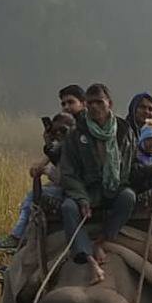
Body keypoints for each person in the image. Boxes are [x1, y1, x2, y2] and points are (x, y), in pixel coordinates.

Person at [0, 86, 86, 252]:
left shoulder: (82, 132)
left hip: (78, 189)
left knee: (32, 198)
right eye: (63, 103)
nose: (66, 107)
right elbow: (58, 154)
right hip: (71, 184)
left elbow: (69, 171)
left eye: (71, 102)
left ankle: (17, 238)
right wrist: (45, 156)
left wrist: (47, 169)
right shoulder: (71, 129)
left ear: (83, 103)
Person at [60, 83, 137, 284]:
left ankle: (102, 240)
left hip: (113, 189)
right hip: (87, 190)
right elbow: (68, 173)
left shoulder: (123, 130)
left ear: (109, 104)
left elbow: (129, 164)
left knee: (128, 196)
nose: (95, 107)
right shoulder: (76, 134)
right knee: (68, 207)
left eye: (99, 102)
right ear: (85, 105)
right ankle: (88, 257)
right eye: (90, 103)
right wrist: (82, 198)